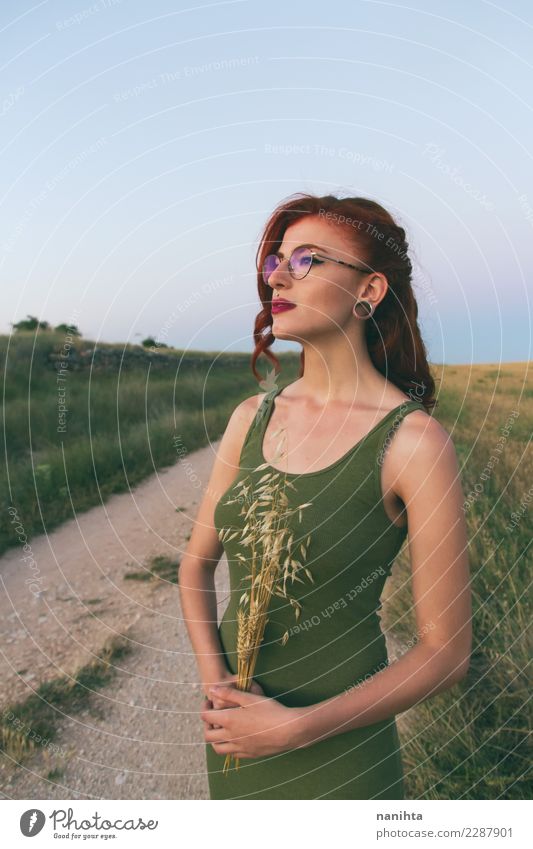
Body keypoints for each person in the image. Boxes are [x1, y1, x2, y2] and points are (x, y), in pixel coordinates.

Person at [179, 192, 472, 799]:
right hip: (238, 742)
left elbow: (446, 652)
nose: (278, 277)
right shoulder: (251, 418)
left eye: (307, 260)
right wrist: (219, 686)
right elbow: (194, 564)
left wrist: (294, 730)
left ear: (369, 291)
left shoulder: (414, 443)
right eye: (275, 262)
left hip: (340, 758)